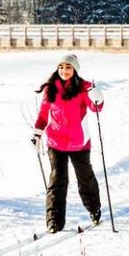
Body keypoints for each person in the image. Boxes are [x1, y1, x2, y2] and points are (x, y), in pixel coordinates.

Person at [33, 54, 105, 232]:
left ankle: (94, 209)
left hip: (79, 142)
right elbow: (43, 115)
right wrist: (37, 133)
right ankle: (54, 222)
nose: (64, 71)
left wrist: (98, 97)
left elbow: (95, 107)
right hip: (56, 142)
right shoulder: (51, 89)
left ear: (75, 70)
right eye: (61, 67)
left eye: (68, 67)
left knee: (85, 178)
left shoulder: (84, 87)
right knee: (57, 180)